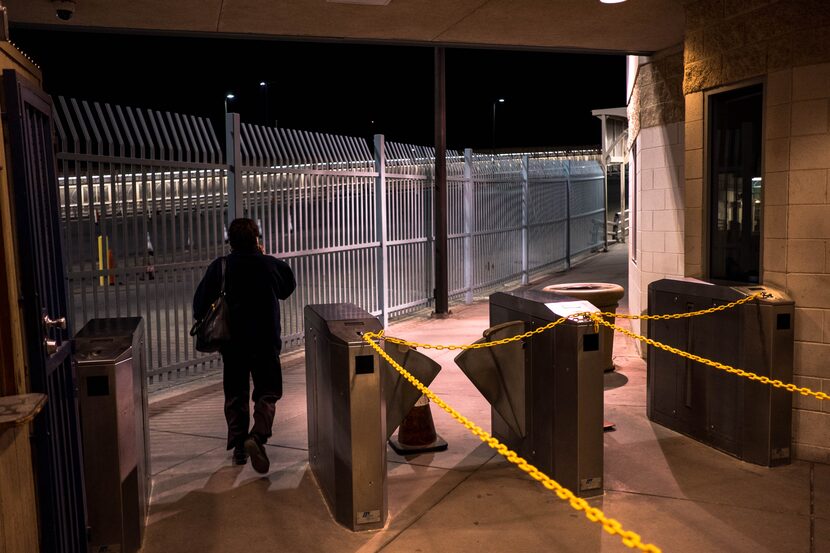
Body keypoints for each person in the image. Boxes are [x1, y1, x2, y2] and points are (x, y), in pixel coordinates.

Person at [193, 218, 295, 473]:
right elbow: (287, 288)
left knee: (235, 392)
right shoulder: (269, 265)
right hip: (265, 341)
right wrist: (264, 256)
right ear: (256, 239)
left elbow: (199, 305)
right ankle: (257, 436)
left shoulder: (221, 267)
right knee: (267, 391)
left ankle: (239, 447)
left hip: (233, 344)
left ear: (231, 241)